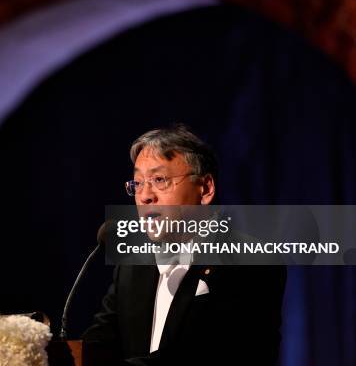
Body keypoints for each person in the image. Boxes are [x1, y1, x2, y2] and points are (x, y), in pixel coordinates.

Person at [82, 124, 286, 365]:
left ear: (206, 188)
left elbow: (202, 354)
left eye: (159, 180)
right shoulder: (132, 265)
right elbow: (98, 344)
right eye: (137, 183)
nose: (145, 196)